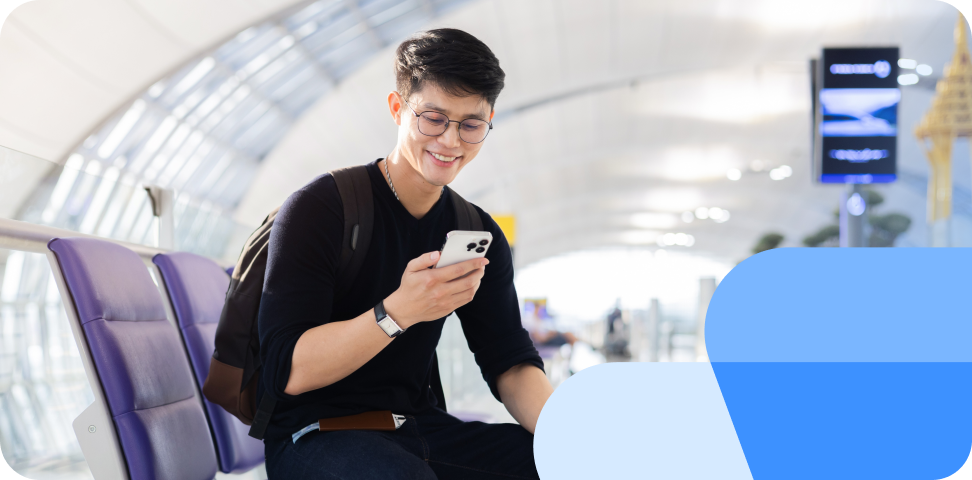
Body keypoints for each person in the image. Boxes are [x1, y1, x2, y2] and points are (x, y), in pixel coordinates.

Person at [258, 29, 554, 480]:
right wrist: (398, 312)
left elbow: (509, 362)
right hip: (315, 435)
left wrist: (569, 438)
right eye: (433, 118)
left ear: (489, 120)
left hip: (422, 432)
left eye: (471, 125)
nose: (451, 141)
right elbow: (288, 371)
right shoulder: (322, 208)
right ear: (398, 108)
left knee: (558, 464)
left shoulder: (474, 230)